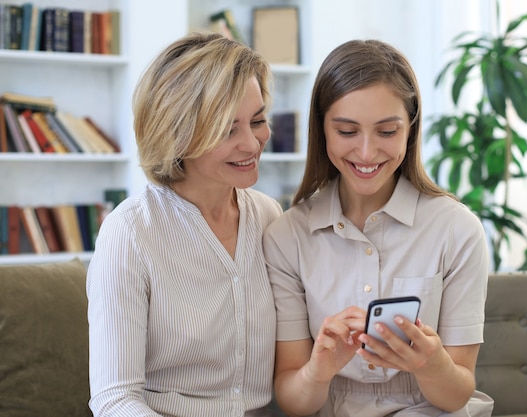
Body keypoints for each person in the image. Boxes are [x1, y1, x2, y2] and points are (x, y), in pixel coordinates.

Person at [263, 39, 494, 417]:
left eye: (387, 132)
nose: (367, 153)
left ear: (410, 130)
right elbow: (294, 402)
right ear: (322, 130)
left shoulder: (457, 230)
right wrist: (317, 372)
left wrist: (432, 365)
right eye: (347, 132)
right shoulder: (287, 236)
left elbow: (455, 396)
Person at [87, 32, 283, 417]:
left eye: (257, 120)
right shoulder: (130, 232)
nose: (252, 143)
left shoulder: (269, 216)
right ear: (177, 134)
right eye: (228, 130)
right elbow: (114, 400)